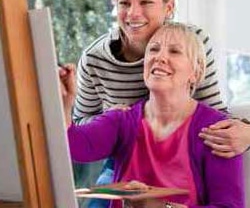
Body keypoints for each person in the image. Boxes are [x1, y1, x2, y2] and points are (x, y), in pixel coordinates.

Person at [61, 23, 245, 208]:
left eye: (174, 51)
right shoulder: (122, 120)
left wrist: (161, 206)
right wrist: (65, 103)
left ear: (195, 73)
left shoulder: (218, 131)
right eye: (154, 49)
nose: (160, 57)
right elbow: (73, 146)